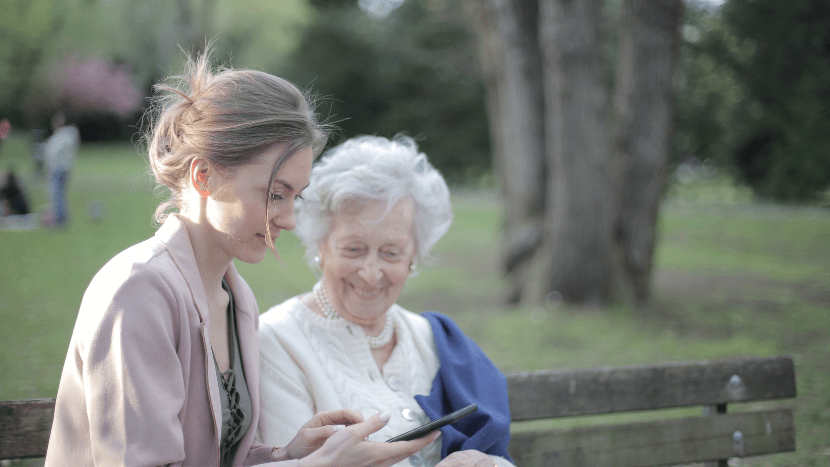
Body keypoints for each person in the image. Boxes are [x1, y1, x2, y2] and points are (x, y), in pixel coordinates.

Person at [44, 52, 438, 467]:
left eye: (295, 197)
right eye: (274, 194)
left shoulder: (237, 298)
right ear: (204, 176)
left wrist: (285, 453)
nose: (287, 219)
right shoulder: (138, 291)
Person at [258, 136, 515, 467]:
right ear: (321, 246)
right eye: (354, 249)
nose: (370, 273)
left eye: (391, 253)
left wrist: (487, 464)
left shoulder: (433, 339)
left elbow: (500, 456)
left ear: (413, 257)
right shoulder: (277, 341)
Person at [43, 111, 80, 226]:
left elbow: (54, 154)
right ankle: (60, 216)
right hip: (62, 169)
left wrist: (50, 168)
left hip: (59, 169)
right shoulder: (63, 136)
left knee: (57, 194)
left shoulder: (63, 137)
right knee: (59, 194)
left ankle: (60, 218)